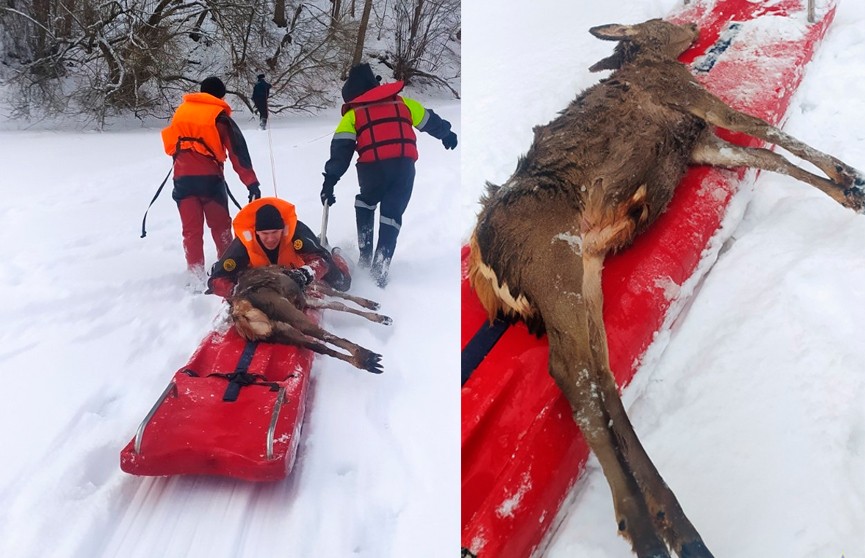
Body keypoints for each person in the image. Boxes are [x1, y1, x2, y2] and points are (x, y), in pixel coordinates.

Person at [320, 63, 458, 287]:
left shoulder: (353, 115)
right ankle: (380, 270)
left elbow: (340, 152)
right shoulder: (404, 104)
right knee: (391, 215)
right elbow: (430, 121)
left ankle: (365, 257)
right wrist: (447, 134)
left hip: (372, 169)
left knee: (366, 202)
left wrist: (330, 181)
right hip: (404, 168)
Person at [161, 76, 263, 280]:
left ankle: (195, 273)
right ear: (221, 95)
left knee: (191, 231)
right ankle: (227, 269)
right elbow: (237, 153)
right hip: (210, 181)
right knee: (221, 227)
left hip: (182, 180)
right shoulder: (219, 117)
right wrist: (251, 183)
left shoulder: (181, 113)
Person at [207, 197, 351, 298]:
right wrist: (236, 290)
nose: (270, 239)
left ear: (282, 229)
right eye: (265, 234)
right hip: (267, 282)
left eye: (275, 232)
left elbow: (321, 260)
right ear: (256, 232)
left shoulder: (297, 233)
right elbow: (216, 280)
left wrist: (305, 274)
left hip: (301, 271)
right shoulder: (243, 244)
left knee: (342, 284)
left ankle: (339, 255)